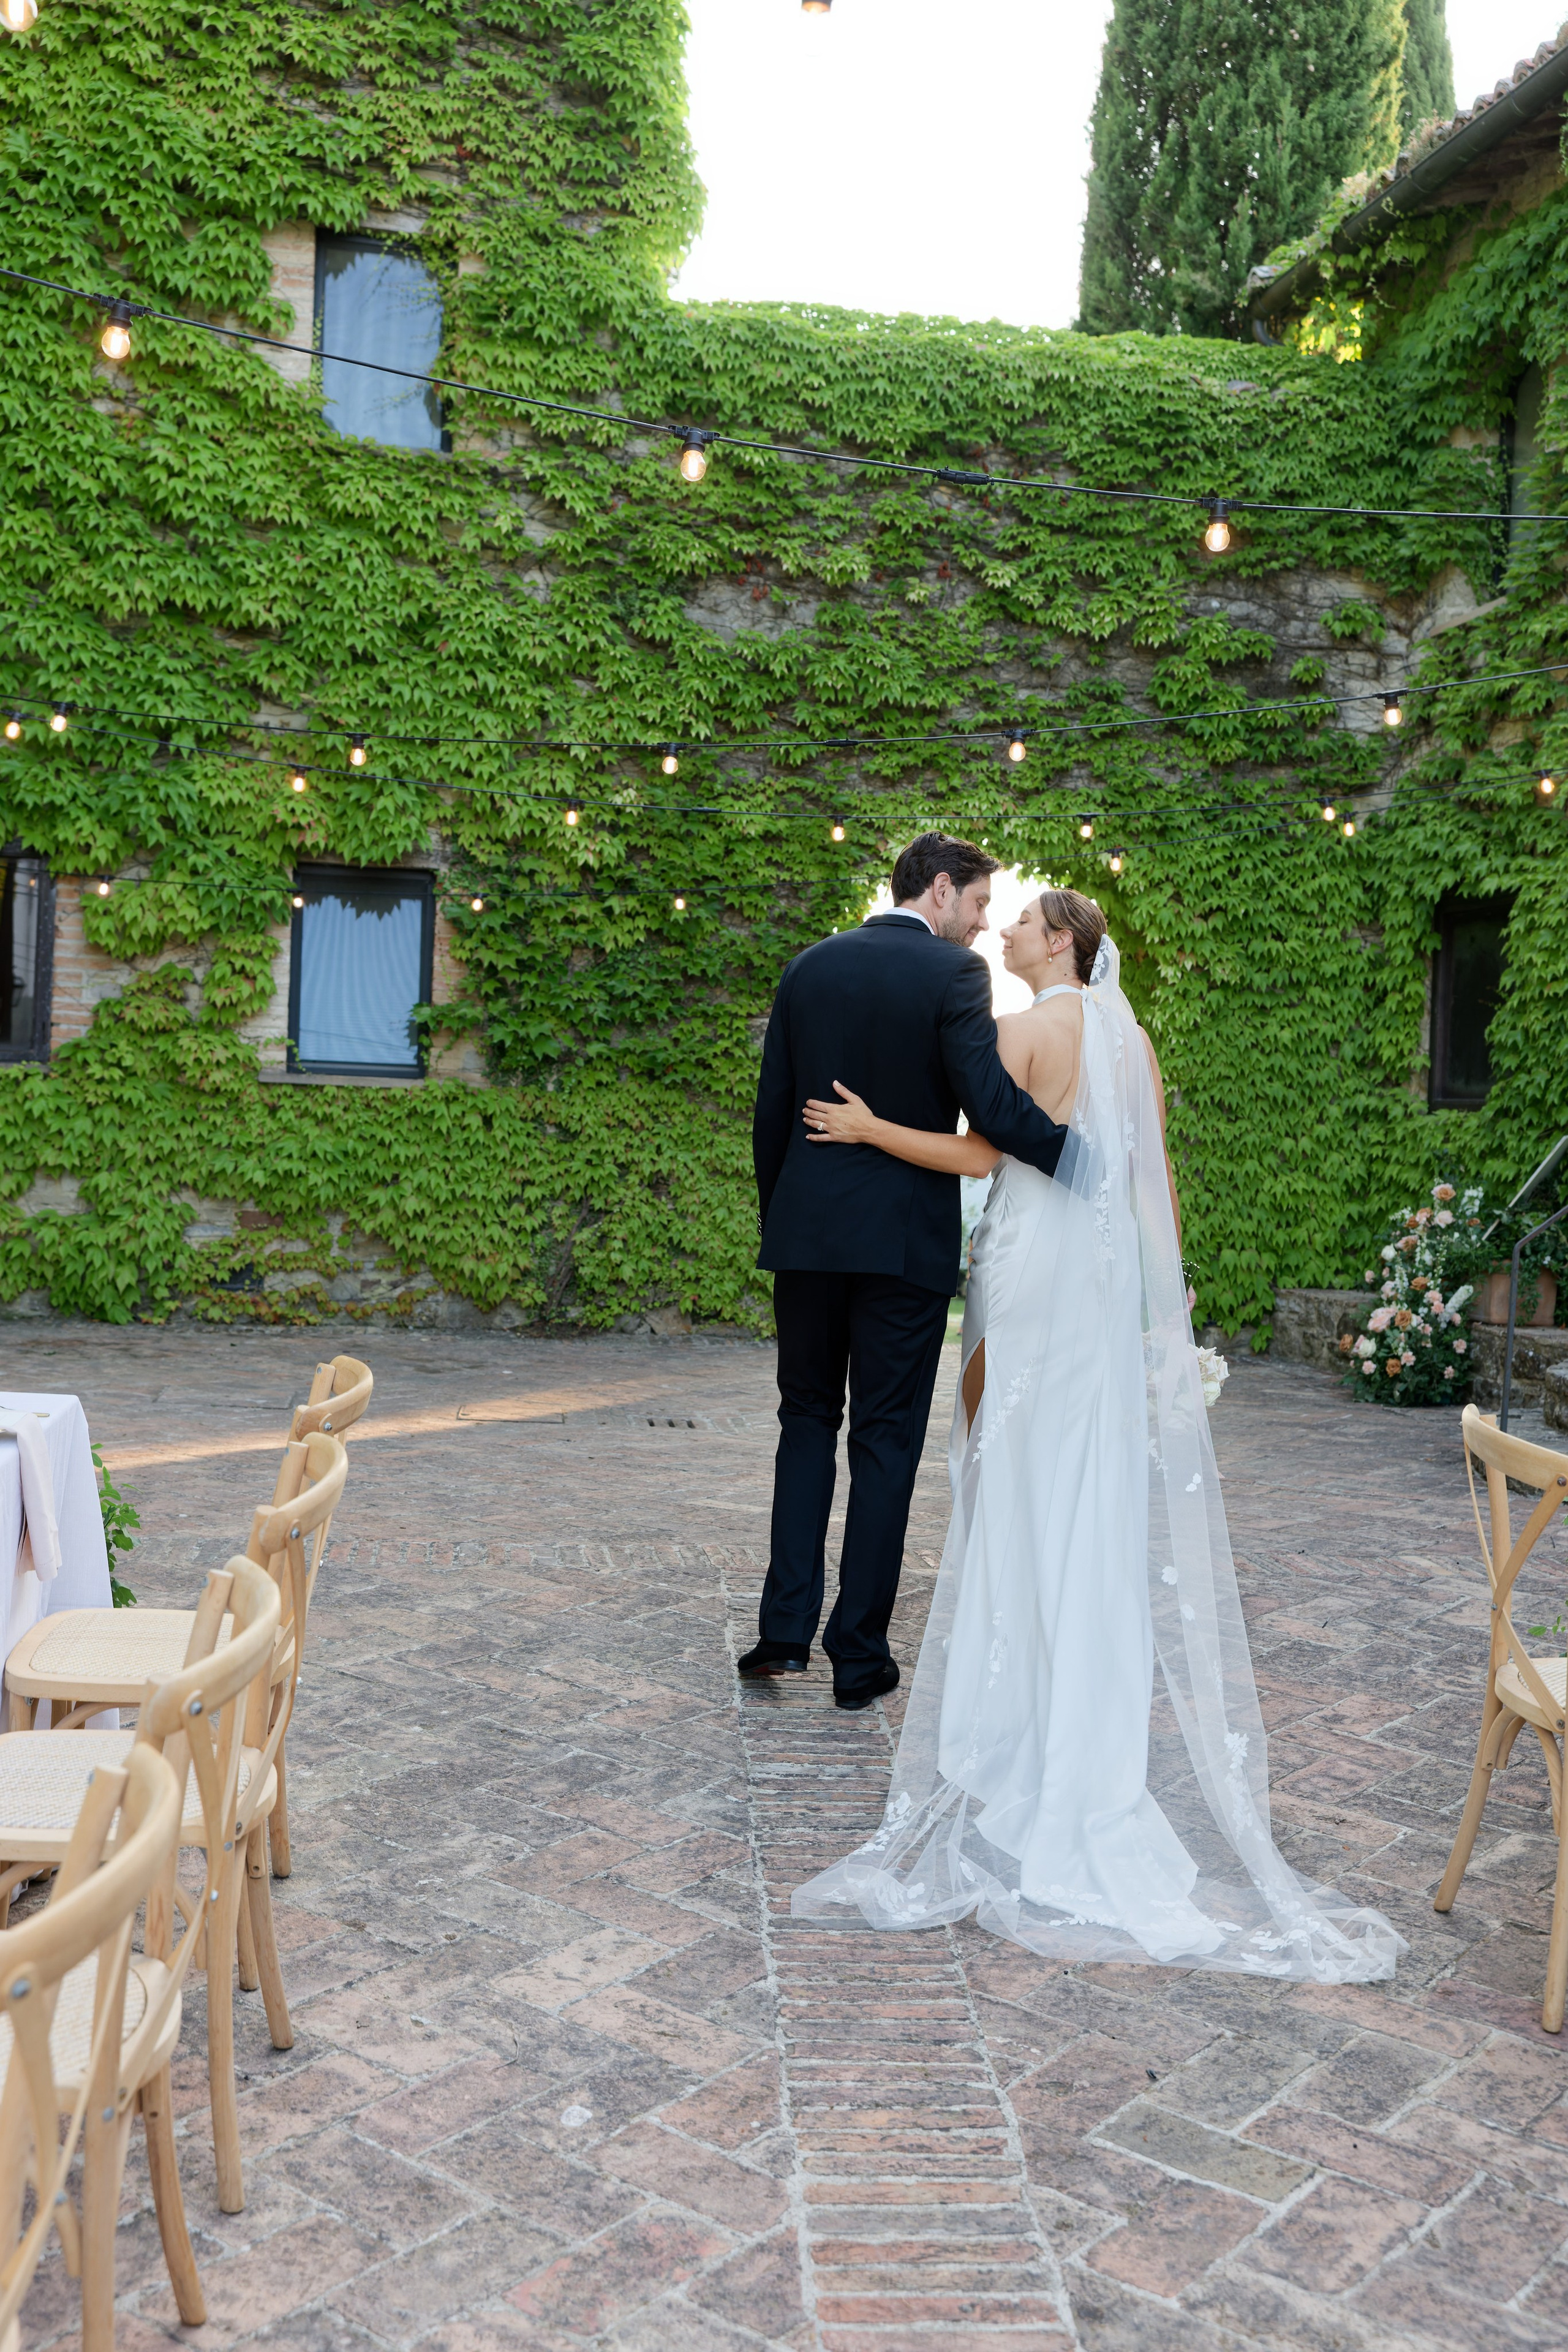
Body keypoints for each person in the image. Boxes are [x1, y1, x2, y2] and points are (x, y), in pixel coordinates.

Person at [790, 886, 1404, 1981]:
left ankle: (1015, 1722)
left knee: (1005, 1470)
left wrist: (869, 1128)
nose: (1004, 933)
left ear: (1062, 943)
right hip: (1103, 1287)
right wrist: (1163, 1308)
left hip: (1032, 1271)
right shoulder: (1134, 1041)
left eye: (1022, 925)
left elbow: (983, 1159)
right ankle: (1074, 1721)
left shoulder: (1024, 1031)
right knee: (1083, 1482)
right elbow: (1148, 1181)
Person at [745, 834, 1071, 1711]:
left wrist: (786, 1217)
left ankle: (782, 1633)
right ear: (941, 889)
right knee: (885, 1442)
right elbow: (989, 1105)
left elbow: (771, 1113)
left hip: (808, 1239)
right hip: (901, 1248)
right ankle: (858, 1657)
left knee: (805, 1421)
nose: (982, 924)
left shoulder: (808, 967)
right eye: (979, 903)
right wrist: (1080, 1160)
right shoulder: (953, 976)